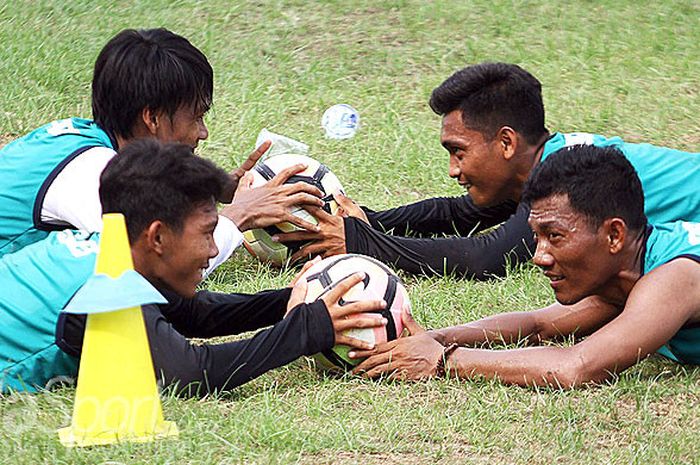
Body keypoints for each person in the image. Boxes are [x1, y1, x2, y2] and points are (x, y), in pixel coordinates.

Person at [0, 139, 387, 395]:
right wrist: (307, 329)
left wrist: (299, 297)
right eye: (207, 232)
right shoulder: (104, 287)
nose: (214, 248)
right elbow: (191, 374)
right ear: (157, 237)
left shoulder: (110, 246)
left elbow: (194, 313)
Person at [276, 62, 699, 279]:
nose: (452, 169)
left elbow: (487, 257)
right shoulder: (553, 159)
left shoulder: (567, 178)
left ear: (507, 142)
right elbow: (462, 214)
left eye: (458, 151)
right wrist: (369, 220)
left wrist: (359, 242)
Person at [347, 145, 700, 387]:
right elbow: (539, 324)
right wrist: (435, 338)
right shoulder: (624, 272)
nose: (539, 256)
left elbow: (577, 367)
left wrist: (445, 360)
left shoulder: (675, 276)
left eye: (555, 236)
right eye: (537, 237)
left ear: (613, 235)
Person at [0, 28, 323, 274]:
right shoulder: (88, 173)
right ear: (152, 117)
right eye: (197, 117)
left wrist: (213, 189)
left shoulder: (86, 137)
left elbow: (148, 200)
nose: (203, 133)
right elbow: (152, 272)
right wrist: (240, 215)